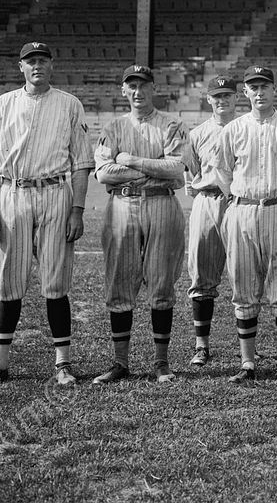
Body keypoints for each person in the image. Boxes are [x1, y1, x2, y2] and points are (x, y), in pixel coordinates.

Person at [0, 41, 91, 389]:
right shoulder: (3, 104)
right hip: (13, 194)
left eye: (43, 60)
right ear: (20, 67)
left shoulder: (69, 104)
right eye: (30, 61)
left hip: (55, 193)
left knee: (56, 283)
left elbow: (81, 164)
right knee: (9, 283)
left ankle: (62, 365)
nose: (37, 66)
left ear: (52, 65)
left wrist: (77, 210)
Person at [210, 65, 277, 384]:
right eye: (253, 87)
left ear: (274, 90)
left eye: (264, 86)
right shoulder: (234, 129)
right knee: (243, 288)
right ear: (245, 92)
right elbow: (222, 172)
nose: (259, 92)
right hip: (243, 210)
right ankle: (248, 363)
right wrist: (239, 199)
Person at [92, 65, 189, 385]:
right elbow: (104, 173)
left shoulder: (172, 124)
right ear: (123, 90)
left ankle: (161, 362)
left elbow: (176, 169)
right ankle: (121, 362)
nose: (137, 91)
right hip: (122, 204)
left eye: (143, 85)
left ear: (153, 88)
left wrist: (131, 161)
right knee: (120, 282)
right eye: (131, 85)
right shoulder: (113, 127)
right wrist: (151, 171)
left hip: (162, 203)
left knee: (161, 284)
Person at [184, 75, 238, 366]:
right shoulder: (198, 133)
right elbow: (190, 172)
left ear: (236, 97)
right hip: (207, 200)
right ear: (209, 99)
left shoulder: (246, 128)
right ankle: (201, 345)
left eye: (227, 95)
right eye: (217, 96)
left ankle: (247, 346)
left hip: (240, 202)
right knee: (201, 274)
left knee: (245, 274)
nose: (222, 100)